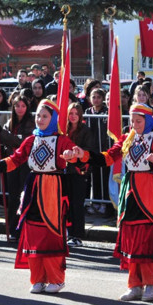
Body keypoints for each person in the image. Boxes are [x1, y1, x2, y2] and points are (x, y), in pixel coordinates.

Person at [0, 100, 78, 294]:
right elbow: (15, 159)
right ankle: (38, 278)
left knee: (51, 232)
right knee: (33, 230)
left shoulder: (62, 140)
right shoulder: (31, 140)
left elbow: (77, 158)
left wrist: (72, 156)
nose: (40, 119)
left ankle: (56, 279)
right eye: (38, 116)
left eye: (45, 116)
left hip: (53, 188)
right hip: (33, 187)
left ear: (54, 119)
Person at [79, 104, 153, 302]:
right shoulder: (126, 138)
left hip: (149, 191)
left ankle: (151, 283)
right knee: (130, 236)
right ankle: (134, 285)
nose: (134, 125)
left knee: (146, 237)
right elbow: (108, 157)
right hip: (130, 190)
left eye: (138, 121)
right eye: (131, 121)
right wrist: (84, 155)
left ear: (148, 120)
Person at [0, 95, 35, 237]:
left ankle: (24, 227)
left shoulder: (31, 123)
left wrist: (4, 134)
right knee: (12, 196)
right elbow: (6, 140)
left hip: (25, 163)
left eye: (23, 106)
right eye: (17, 106)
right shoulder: (9, 123)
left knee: (23, 195)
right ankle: (13, 228)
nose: (20, 109)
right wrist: (4, 134)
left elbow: (22, 142)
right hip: (11, 162)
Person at [64, 102, 93, 246]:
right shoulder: (63, 129)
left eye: (76, 113)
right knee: (66, 203)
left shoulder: (86, 130)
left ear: (80, 115)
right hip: (65, 172)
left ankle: (77, 235)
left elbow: (89, 149)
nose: (73, 116)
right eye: (71, 113)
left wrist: (77, 154)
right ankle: (69, 233)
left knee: (77, 204)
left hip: (78, 171)